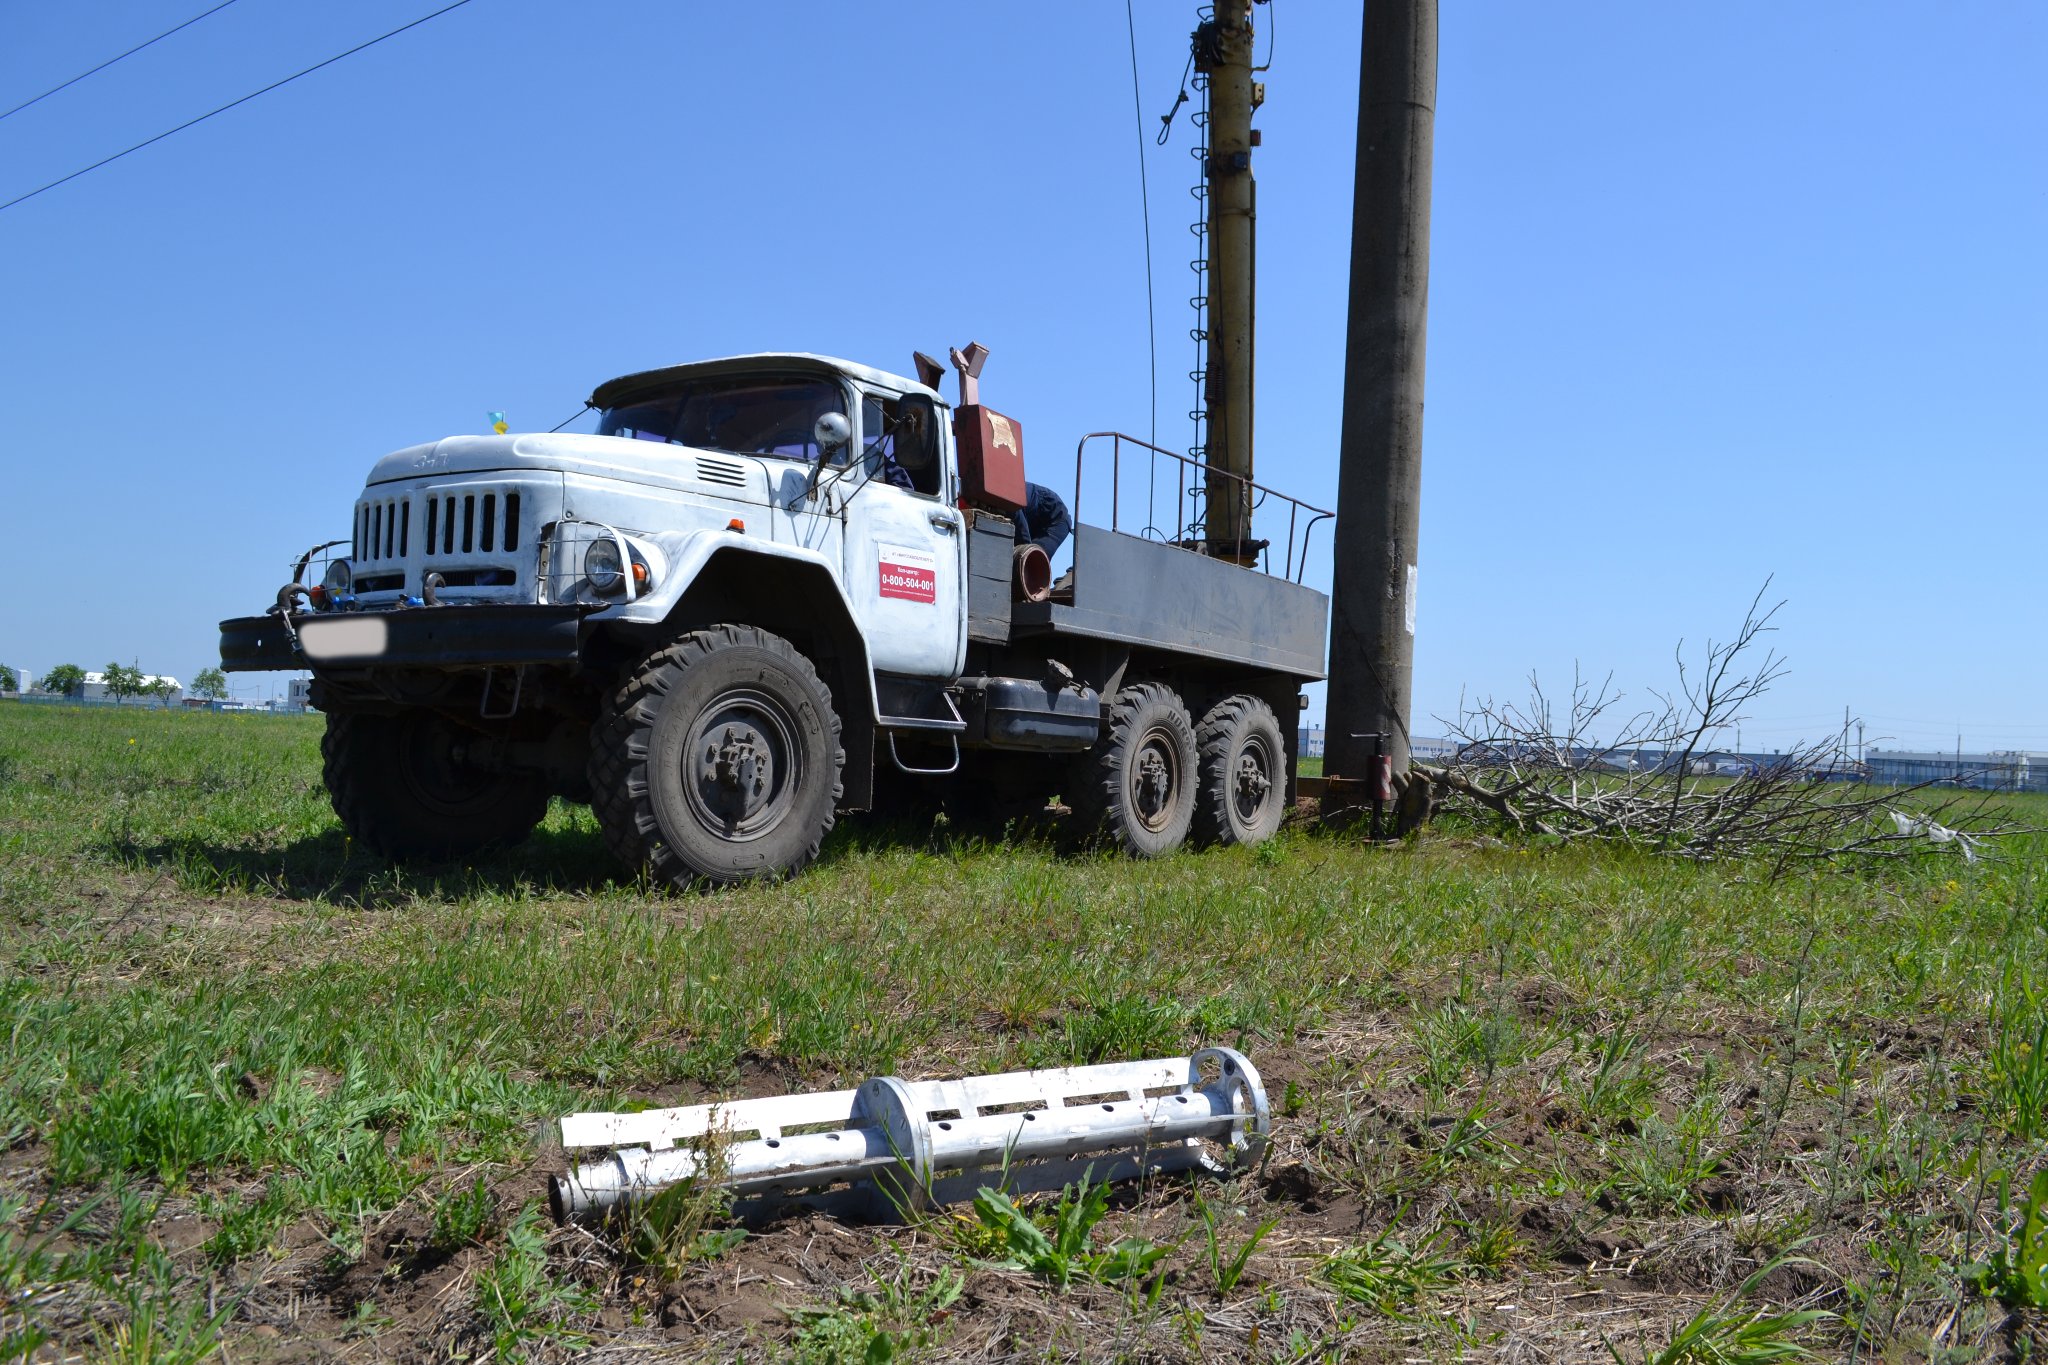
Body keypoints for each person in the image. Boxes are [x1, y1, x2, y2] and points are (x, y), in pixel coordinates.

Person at [1013, 481, 1071, 560]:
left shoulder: (1005, 496)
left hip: (1055, 518)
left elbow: (1020, 531)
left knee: (1032, 559)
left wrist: (1024, 553)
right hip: (1031, 518)